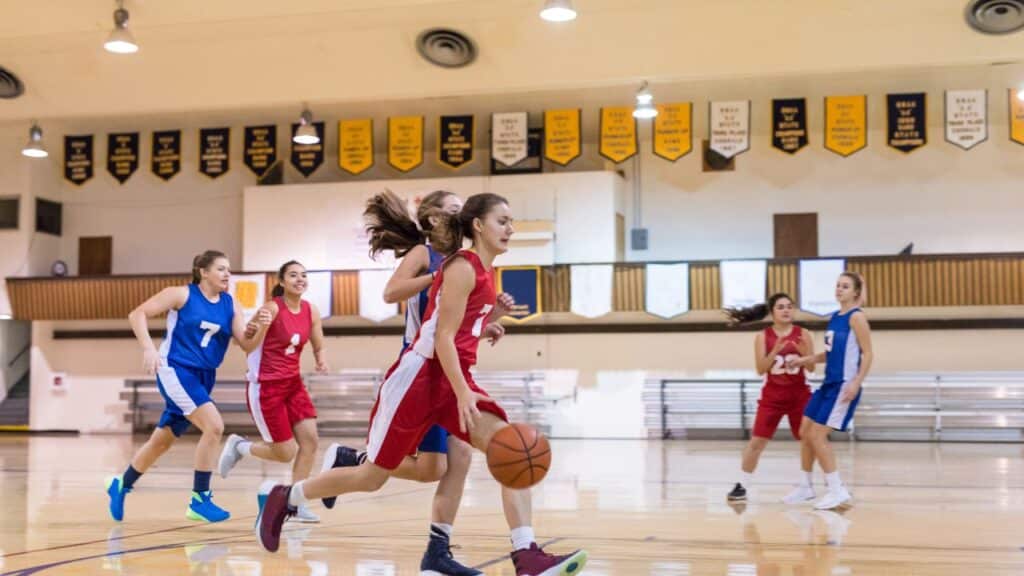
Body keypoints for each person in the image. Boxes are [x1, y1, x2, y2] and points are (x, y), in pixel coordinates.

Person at [256, 193, 588, 576]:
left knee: (510, 448)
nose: (510, 229)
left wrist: (488, 323)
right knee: (373, 476)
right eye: (503, 220)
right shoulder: (462, 266)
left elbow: (459, 333)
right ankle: (288, 496)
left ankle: (525, 554)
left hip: (451, 377)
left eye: (512, 222)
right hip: (418, 378)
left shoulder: (481, 271)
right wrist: (463, 389)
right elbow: (441, 338)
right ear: (478, 225)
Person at [105, 250, 261, 523]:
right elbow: (137, 314)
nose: (228, 274)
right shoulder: (181, 294)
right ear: (203, 271)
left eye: (229, 269)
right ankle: (200, 499)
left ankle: (121, 484)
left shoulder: (231, 305)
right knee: (214, 426)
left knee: (161, 442)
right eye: (221, 269)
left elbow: (246, 344)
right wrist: (148, 349)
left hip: (204, 376)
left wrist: (261, 328)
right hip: (176, 369)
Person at [217, 260, 328, 523]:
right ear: (281, 281)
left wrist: (321, 359)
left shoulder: (310, 310)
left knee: (310, 441)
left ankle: (297, 503)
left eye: (303, 275)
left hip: (293, 384)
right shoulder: (270, 309)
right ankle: (241, 447)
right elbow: (244, 344)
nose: (299, 279)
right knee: (285, 452)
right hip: (266, 387)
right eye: (293, 275)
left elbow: (317, 343)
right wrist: (258, 326)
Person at [787, 272, 873, 510]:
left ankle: (837, 491)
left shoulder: (857, 318)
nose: (839, 289)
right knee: (805, 430)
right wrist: (805, 359)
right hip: (828, 383)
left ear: (855, 292)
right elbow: (831, 353)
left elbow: (868, 353)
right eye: (837, 285)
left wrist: (856, 382)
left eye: (845, 286)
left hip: (844, 385)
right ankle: (805, 486)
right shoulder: (835, 317)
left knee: (817, 435)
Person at [723, 293, 816, 503]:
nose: (786, 310)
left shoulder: (804, 334)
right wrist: (774, 350)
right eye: (781, 307)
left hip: (799, 395)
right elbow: (760, 369)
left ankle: (806, 484)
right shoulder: (763, 337)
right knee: (757, 442)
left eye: (789, 306)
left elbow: (811, 367)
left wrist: (803, 356)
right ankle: (742, 485)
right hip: (772, 396)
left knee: (808, 440)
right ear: (772, 312)